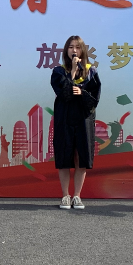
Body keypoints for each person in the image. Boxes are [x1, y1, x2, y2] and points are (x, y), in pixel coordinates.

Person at [50, 35, 101, 210]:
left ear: (82, 50)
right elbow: (63, 94)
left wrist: (82, 93)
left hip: (83, 120)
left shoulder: (91, 72)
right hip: (64, 118)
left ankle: (77, 196)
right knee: (64, 157)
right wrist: (72, 71)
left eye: (77, 47)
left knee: (81, 158)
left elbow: (94, 100)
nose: (74, 50)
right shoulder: (59, 71)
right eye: (71, 47)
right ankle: (65, 196)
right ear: (66, 50)